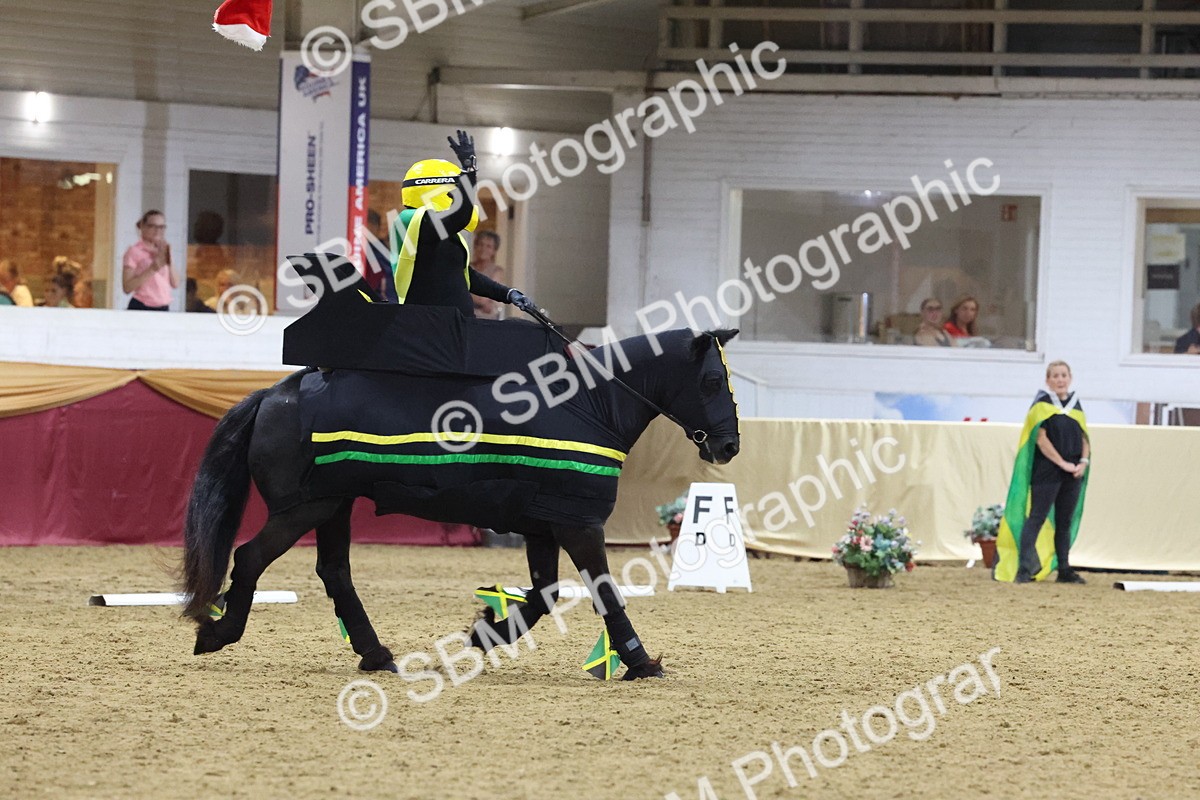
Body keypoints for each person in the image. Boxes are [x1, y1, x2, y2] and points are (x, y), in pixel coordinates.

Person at [392, 130, 536, 318]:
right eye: (456, 189)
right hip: (427, 323)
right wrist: (469, 172)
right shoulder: (410, 219)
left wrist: (508, 293)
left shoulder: (447, 234)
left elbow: (466, 276)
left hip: (455, 324)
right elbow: (459, 217)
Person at [995, 360, 1091, 585]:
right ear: (1048, 380)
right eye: (1055, 376)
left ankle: (1064, 569)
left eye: (1064, 375)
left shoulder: (1076, 405)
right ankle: (1024, 569)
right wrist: (1062, 463)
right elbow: (1041, 439)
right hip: (1047, 472)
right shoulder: (1042, 405)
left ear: (1070, 378)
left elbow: (1084, 436)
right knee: (1037, 517)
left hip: (1073, 472)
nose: (1060, 380)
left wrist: (1083, 461)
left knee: (1064, 521)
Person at [123, 210, 178, 310]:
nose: (158, 231)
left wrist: (168, 260)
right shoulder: (134, 251)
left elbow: (175, 284)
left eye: (161, 227)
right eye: (153, 226)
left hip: (163, 305)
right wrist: (152, 269)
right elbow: (127, 287)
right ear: (143, 227)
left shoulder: (164, 249)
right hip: (142, 304)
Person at [471, 230, 506, 320]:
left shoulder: (497, 271)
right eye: (481, 244)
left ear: (494, 251)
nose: (483, 249)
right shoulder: (467, 268)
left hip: (487, 320)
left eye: (488, 246)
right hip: (467, 316)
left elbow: (484, 299)